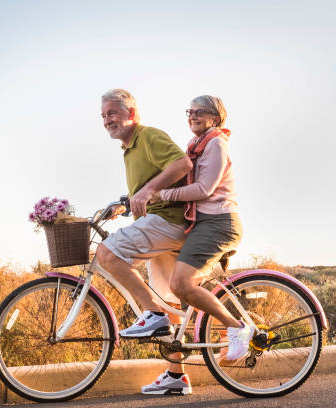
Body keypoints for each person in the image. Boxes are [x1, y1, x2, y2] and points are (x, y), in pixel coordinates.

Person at [143, 95, 249, 394]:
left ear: (216, 117)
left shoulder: (216, 143)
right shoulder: (195, 147)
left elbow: (204, 189)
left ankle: (237, 328)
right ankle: (175, 375)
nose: (192, 115)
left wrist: (160, 195)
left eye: (200, 111)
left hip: (219, 223)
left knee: (181, 283)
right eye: (189, 111)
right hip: (202, 225)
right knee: (171, 290)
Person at [93, 89, 193, 394]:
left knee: (106, 253)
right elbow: (145, 187)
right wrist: (125, 203)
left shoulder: (147, 136)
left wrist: (148, 191)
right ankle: (177, 376)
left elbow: (182, 165)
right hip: (157, 224)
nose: (107, 120)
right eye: (103, 116)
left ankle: (152, 313)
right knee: (171, 303)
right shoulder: (128, 149)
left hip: (168, 221)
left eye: (112, 113)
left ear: (131, 113)